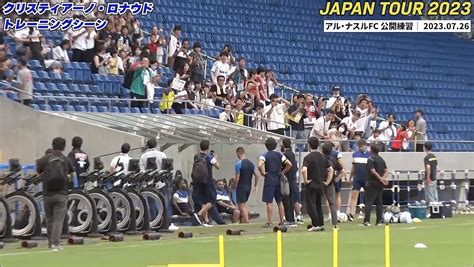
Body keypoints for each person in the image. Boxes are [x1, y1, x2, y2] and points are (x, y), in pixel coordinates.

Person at [37, 137, 75, 251]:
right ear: (63, 147)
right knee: (59, 220)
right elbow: (72, 173)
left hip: (47, 193)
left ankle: (50, 243)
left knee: (49, 219)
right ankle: (56, 244)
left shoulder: (45, 158)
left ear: (52, 145)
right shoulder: (66, 159)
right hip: (61, 193)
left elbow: (38, 172)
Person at [302, 137, 334, 232]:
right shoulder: (323, 157)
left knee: (311, 205)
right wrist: (327, 182)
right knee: (319, 205)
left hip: (311, 184)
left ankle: (315, 224)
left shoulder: (308, 157)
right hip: (320, 184)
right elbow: (330, 170)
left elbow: (304, 170)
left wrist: (306, 180)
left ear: (309, 145)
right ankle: (321, 224)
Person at [258, 138, 292, 227]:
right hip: (278, 179)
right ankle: (282, 220)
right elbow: (289, 164)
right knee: (279, 202)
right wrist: (282, 172)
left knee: (269, 202)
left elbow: (259, 165)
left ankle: (270, 221)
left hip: (269, 180)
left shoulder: (264, 155)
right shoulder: (279, 154)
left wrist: (262, 173)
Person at [192, 140, 220, 227]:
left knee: (203, 201)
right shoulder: (209, 157)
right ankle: (199, 214)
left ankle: (206, 219)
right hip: (208, 181)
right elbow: (218, 166)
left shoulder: (196, 156)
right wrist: (215, 158)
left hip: (198, 181)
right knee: (212, 200)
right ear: (208, 147)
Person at [364, 143, 389, 226]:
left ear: (371, 150)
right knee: (379, 202)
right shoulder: (381, 159)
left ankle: (367, 221)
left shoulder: (370, 159)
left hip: (372, 182)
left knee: (369, 202)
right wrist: (383, 179)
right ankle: (379, 221)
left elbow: (373, 171)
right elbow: (386, 170)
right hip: (380, 184)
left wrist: (380, 178)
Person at [347, 139, 371, 221]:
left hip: (367, 178)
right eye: (359, 146)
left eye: (362, 146)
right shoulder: (355, 154)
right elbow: (353, 167)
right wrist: (350, 177)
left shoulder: (370, 155)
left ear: (365, 146)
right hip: (357, 178)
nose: (360, 148)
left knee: (368, 197)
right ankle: (351, 214)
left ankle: (367, 214)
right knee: (354, 196)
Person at [233, 147, 259, 223]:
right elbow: (257, 175)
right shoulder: (251, 163)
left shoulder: (238, 163)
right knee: (244, 204)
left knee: (241, 205)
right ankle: (244, 221)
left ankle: (247, 221)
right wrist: (255, 185)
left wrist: (234, 185)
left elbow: (237, 178)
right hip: (249, 186)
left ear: (238, 153)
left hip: (241, 185)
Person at [281, 139, 303, 226]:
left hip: (288, 179)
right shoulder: (292, 154)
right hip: (293, 178)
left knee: (287, 199)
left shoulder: (285, 155)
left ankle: (290, 219)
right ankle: (297, 217)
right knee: (293, 199)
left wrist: (282, 172)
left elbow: (289, 165)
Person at [321, 142, 339, 227]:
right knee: (332, 203)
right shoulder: (333, 160)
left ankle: (319, 223)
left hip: (320, 183)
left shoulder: (320, 159)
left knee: (318, 203)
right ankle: (334, 224)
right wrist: (335, 179)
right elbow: (342, 171)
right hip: (330, 184)